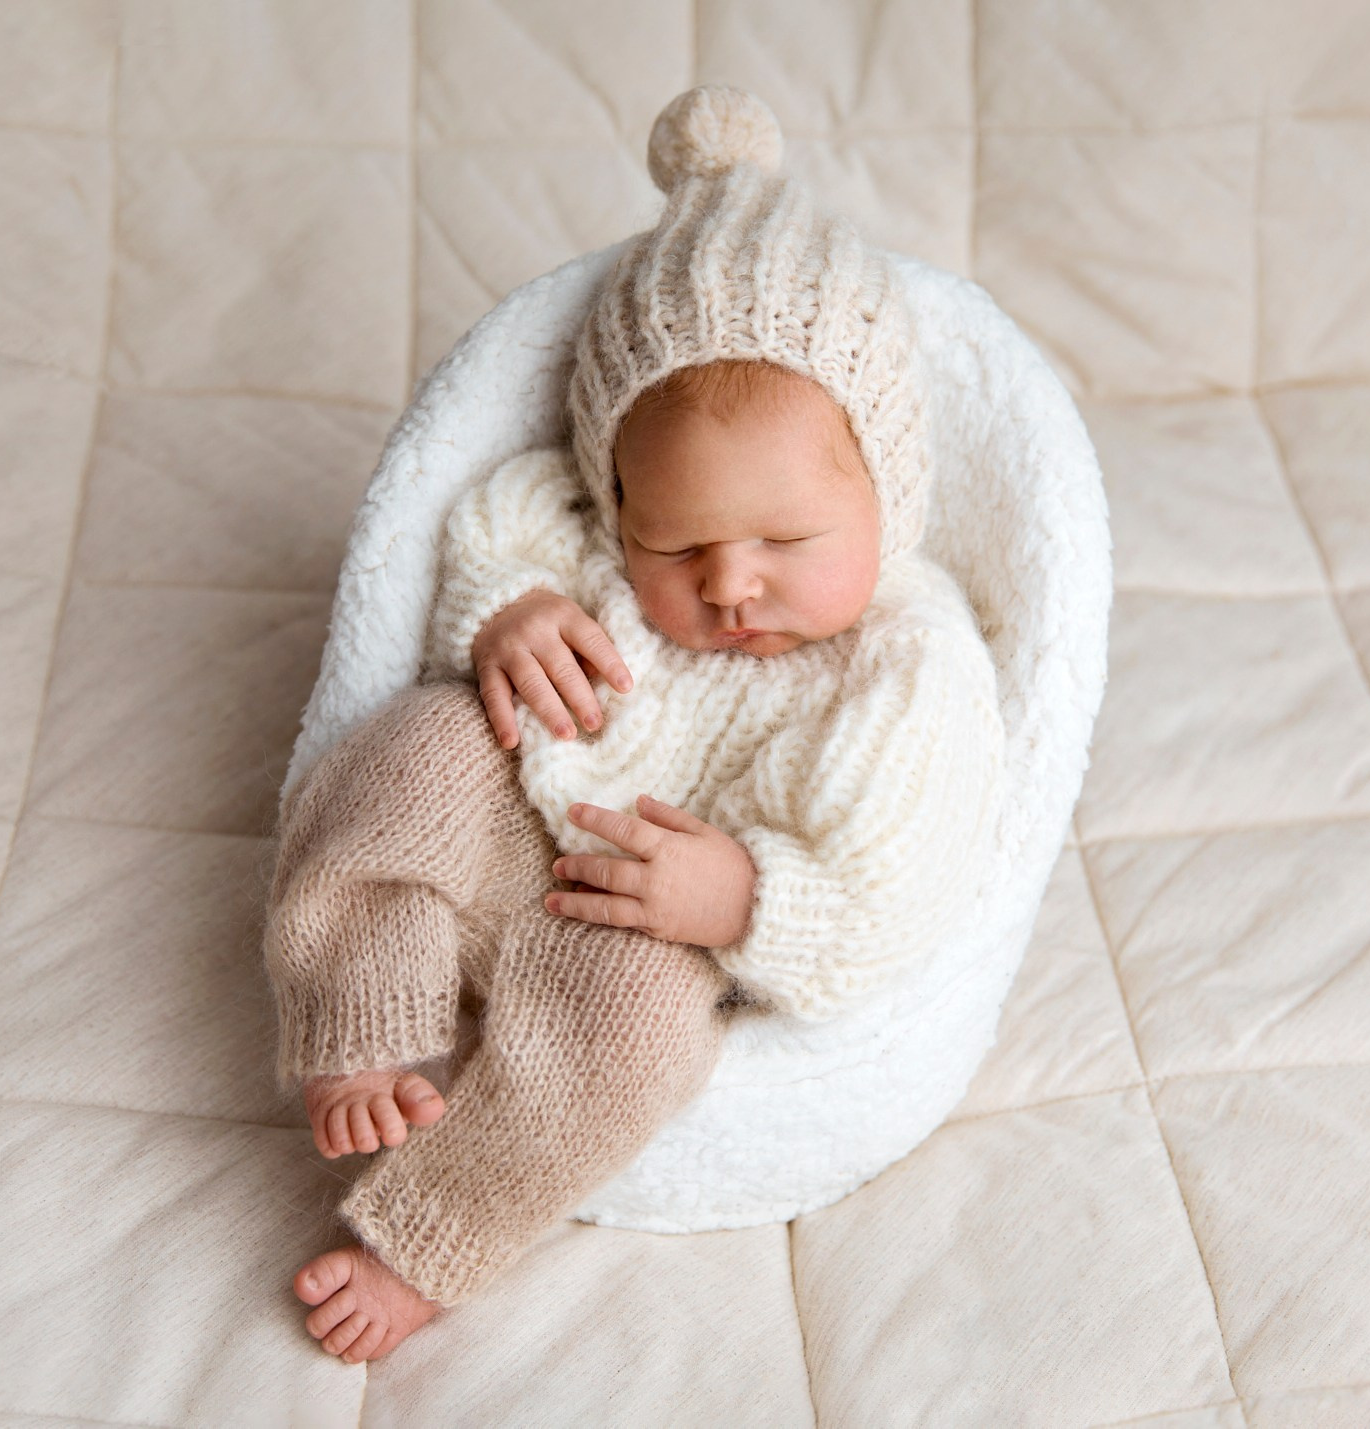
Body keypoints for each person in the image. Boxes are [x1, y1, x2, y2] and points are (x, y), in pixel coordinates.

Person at [264, 84, 1004, 1364]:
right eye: (674, 540)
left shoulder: (905, 660)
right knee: (412, 752)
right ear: (617, 495)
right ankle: (359, 1020)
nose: (728, 584)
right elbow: (496, 520)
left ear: (886, 495)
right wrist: (506, 613)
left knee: (631, 1044)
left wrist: (744, 898)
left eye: (784, 539)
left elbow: (899, 875)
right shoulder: (582, 526)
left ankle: (428, 1237)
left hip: (651, 925)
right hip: (518, 809)